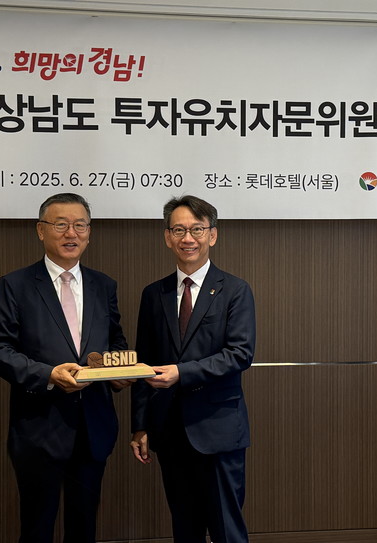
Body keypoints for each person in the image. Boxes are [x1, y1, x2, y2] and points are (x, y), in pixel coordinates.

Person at [0, 193, 130, 543]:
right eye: (61, 224)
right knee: (37, 528)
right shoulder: (15, 285)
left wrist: (116, 373)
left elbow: (116, 342)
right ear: (41, 230)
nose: (71, 233)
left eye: (80, 225)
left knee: (84, 528)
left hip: (93, 427)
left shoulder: (103, 285)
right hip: (39, 429)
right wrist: (48, 375)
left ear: (89, 232)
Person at [130, 195, 256, 543]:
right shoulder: (153, 294)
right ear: (167, 237)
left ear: (212, 235)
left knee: (227, 531)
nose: (188, 238)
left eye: (197, 229)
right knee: (184, 529)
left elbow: (240, 354)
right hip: (169, 431)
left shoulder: (235, 290)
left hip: (219, 431)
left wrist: (181, 373)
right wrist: (140, 425)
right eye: (179, 230)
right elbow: (144, 363)